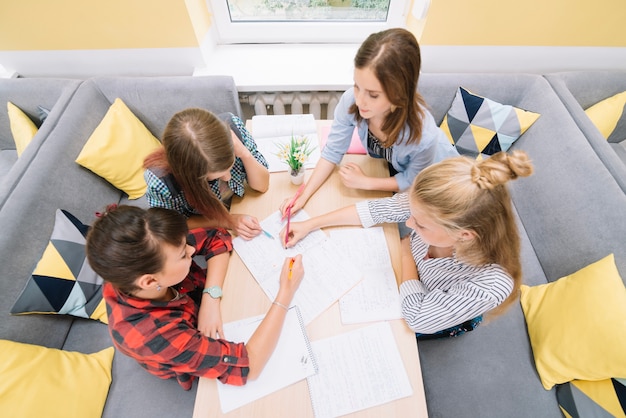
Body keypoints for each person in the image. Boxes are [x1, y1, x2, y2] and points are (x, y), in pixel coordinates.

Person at [281, 151, 533, 338]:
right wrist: (311, 224)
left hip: (438, 314)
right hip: (405, 283)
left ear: (464, 235)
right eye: (411, 214)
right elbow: (377, 210)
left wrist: (406, 257)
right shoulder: (434, 206)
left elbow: (418, 318)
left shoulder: (490, 284)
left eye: (421, 225)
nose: (409, 224)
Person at [86, 205, 304, 389]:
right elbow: (250, 365)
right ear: (150, 282)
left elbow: (215, 236)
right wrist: (285, 293)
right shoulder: (154, 336)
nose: (191, 250)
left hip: (203, 306)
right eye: (183, 255)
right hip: (184, 353)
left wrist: (211, 296)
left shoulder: (154, 245)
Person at [280, 28, 458, 219]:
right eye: (357, 86)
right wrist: (303, 196)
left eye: (373, 95)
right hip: (396, 173)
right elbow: (332, 151)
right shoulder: (351, 101)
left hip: (439, 181)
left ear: (399, 94)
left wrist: (366, 182)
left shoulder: (424, 136)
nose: (359, 101)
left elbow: (412, 179)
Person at [144, 108, 270, 240]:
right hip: (213, 227)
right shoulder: (160, 182)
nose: (228, 177)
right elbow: (176, 224)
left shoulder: (232, 127)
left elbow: (262, 185)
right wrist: (229, 220)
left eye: (230, 166)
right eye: (217, 176)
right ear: (192, 176)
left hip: (242, 204)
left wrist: (244, 153)